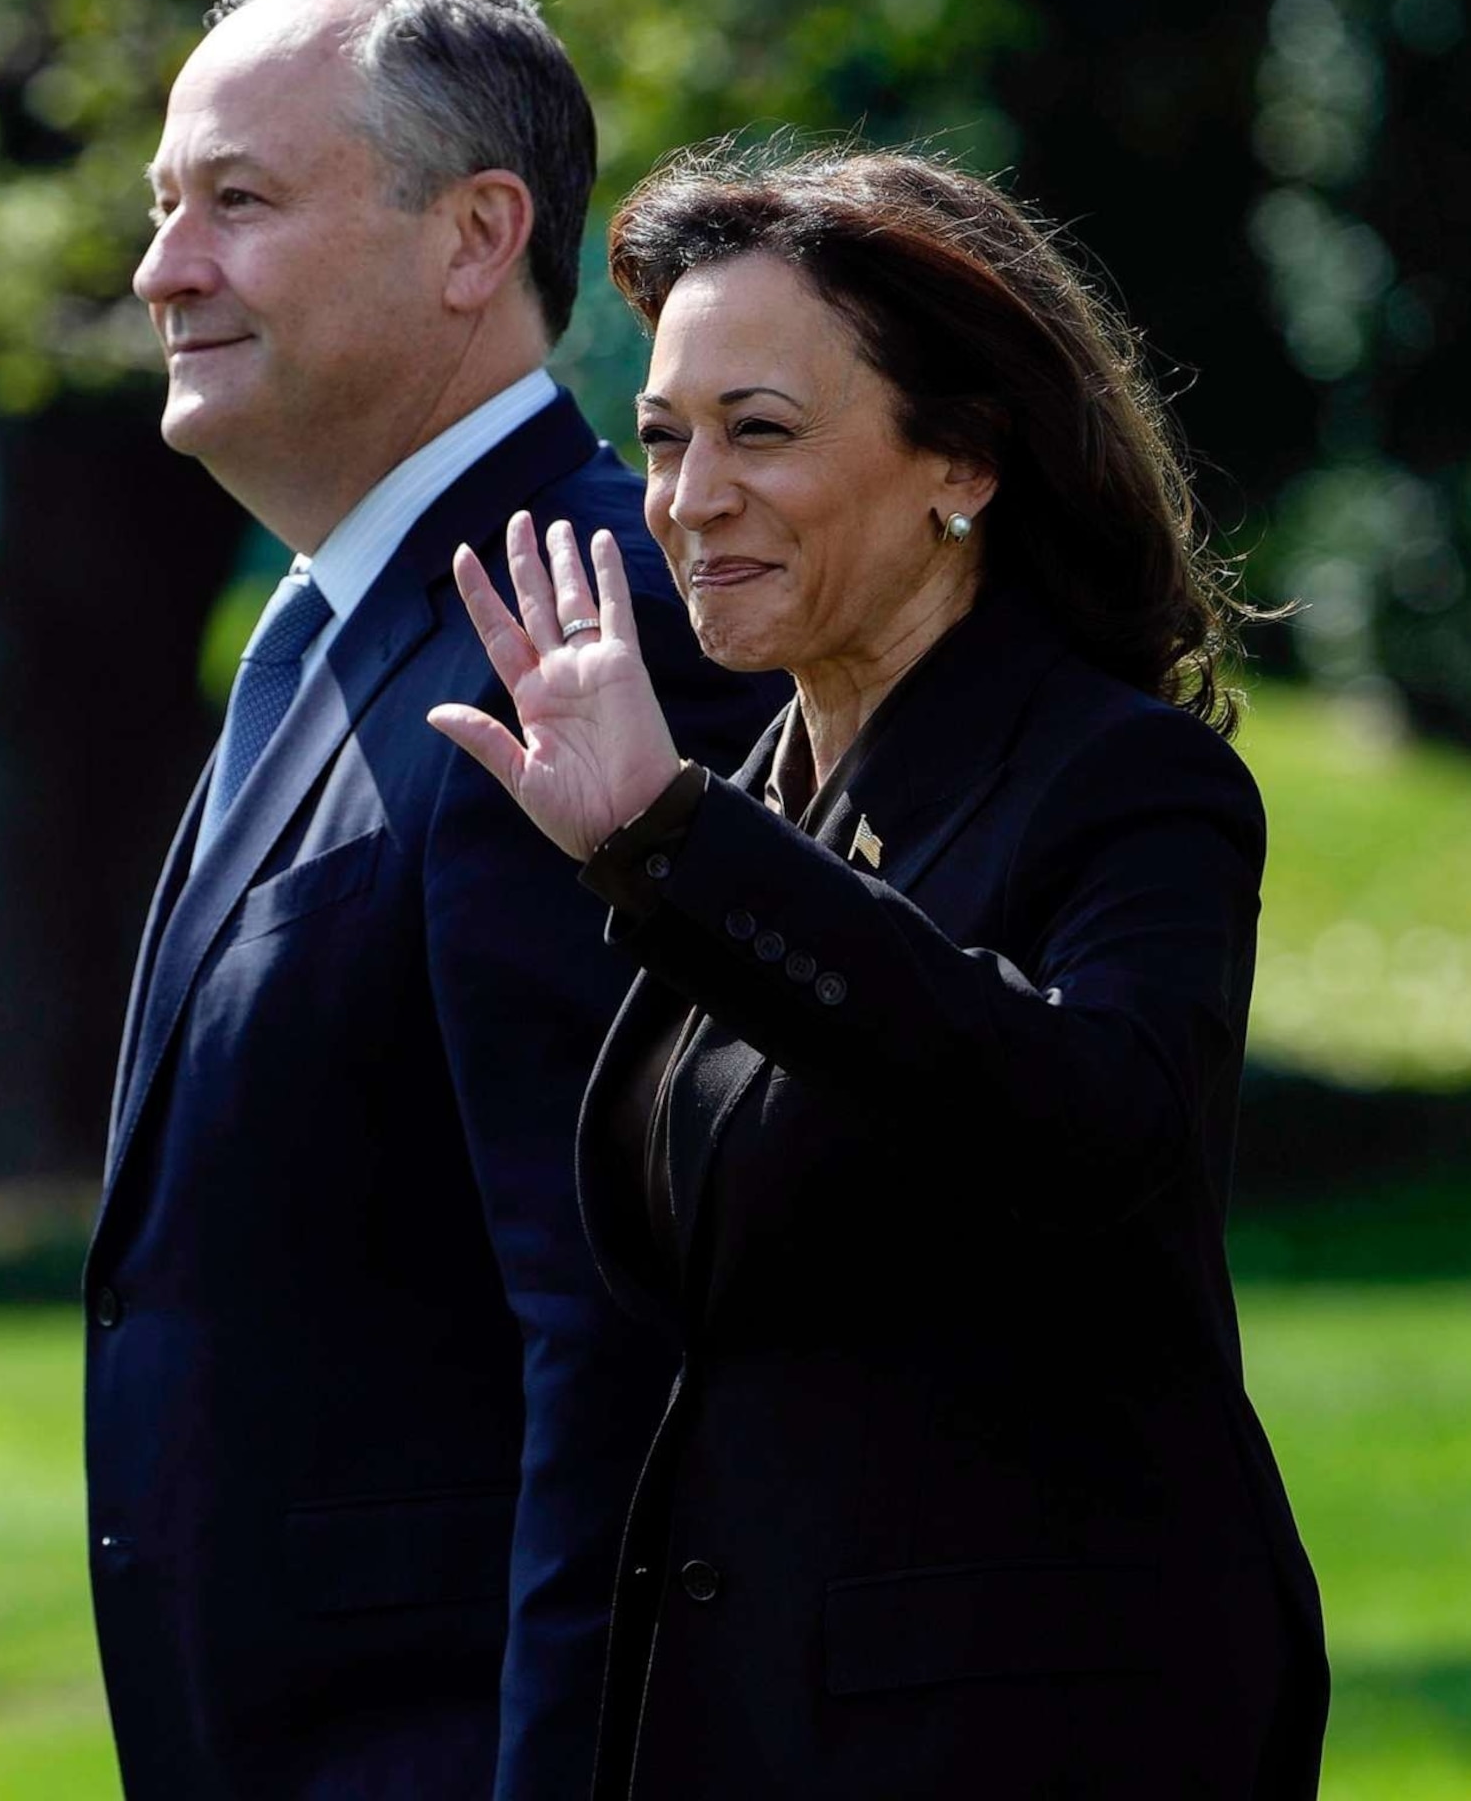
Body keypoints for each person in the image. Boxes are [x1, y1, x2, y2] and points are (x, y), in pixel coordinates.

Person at [427, 144, 1329, 1798]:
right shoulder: (758, 796)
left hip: (1035, 1730)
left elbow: (1091, 1126)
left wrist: (672, 845)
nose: (691, 500)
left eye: (760, 433)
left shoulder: (1124, 781)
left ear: (963, 463)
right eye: (666, 441)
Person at [86, 0, 779, 1801]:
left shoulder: (596, 628)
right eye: (164, 206)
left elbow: (622, 1330)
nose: (162, 269)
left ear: (477, 239)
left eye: (238, 200)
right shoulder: (322, 631)